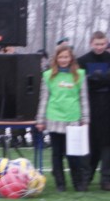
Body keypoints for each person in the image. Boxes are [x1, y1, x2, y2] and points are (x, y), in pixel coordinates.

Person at [36, 45, 90, 192]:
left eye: (66, 57)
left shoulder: (79, 74)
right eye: (61, 57)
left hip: (73, 120)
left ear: (71, 58)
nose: (63, 60)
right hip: (55, 119)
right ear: (56, 59)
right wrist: (40, 120)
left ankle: (78, 183)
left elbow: (83, 98)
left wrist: (85, 118)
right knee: (57, 154)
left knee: (73, 155)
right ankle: (60, 184)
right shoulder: (48, 75)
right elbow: (44, 99)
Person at [77, 31, 110, 190]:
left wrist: (95, 79)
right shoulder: (82, 60)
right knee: (89, 145)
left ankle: (106, 179)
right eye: (97, 44)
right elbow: (82, 82)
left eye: (102, 44)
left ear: (106, 43)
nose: (99, 47)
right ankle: (86, 178)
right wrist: (101, 80)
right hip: (89, 107)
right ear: (91, 43)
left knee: (107, 146)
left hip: (107, 108)